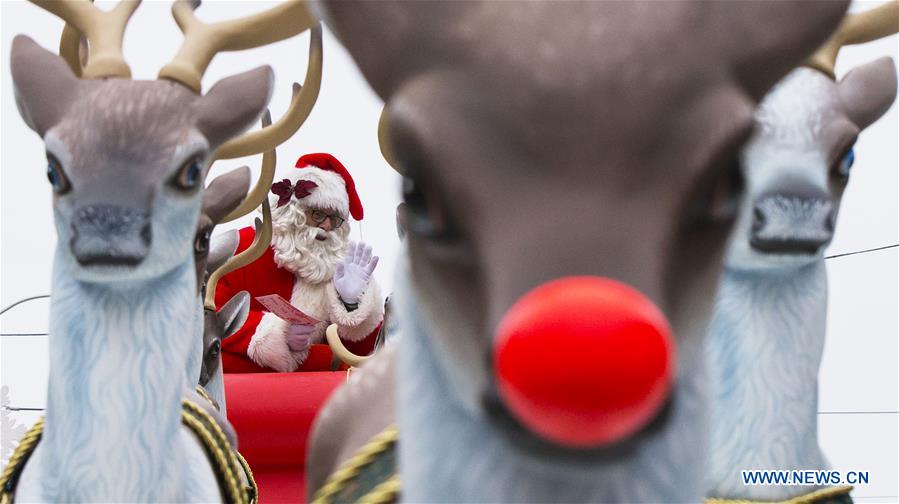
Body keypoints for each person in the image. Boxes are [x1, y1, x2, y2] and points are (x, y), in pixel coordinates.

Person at [215, 153, 383, 372]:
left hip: (311, 398)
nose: (326, 226)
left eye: (335, 219)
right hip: (238, 393)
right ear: (293, 211)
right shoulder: (243, 246)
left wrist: (351, 305)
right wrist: (276, 332)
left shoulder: (338, 266)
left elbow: (357, 358)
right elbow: (206, 319)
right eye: (318, 214)